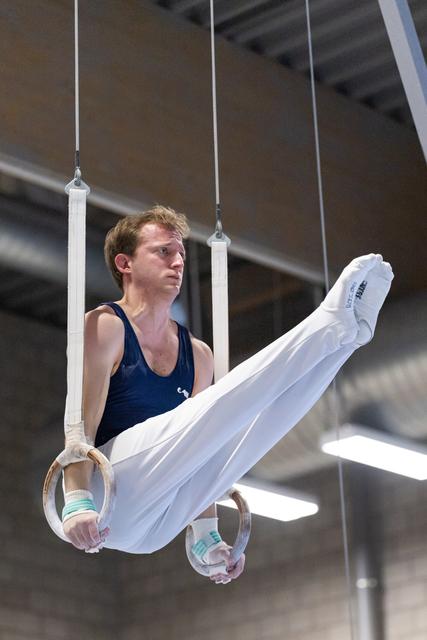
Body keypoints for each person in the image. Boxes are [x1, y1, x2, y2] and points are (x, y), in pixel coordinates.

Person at [62, 205, 394, 585]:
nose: (178, 262)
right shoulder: (105, 327)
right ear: (125, 263)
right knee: (227, 404)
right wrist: (77, 499)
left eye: (182, 254)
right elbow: (81, 424)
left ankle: (344, 340)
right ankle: (327, 323)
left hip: (157, 524)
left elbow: (202, 453)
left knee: (252, 427)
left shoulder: (198, 355)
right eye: (164, 251)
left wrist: (208, 541)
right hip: (107, 495)